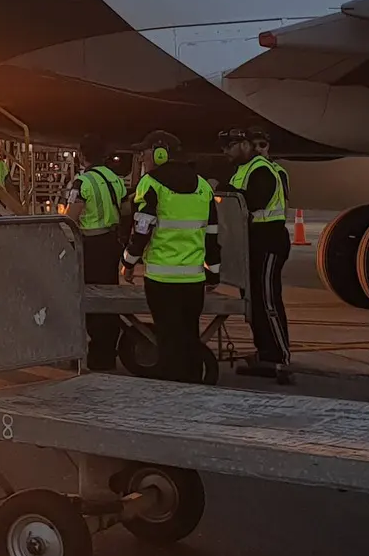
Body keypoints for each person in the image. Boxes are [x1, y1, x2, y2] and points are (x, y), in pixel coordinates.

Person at [120, 130, 215, 384]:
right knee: (189, 334)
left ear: (160, 153)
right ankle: (194, 382)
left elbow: (142, 229)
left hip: (162, 280)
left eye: (144, 152)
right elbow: (212, 233)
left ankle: (174, 390)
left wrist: (128, 262)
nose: (141, 157)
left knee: (169, 337)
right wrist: (214, 272)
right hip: (194, 281)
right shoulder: (203, 185)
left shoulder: (151, 183)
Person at [224, 126, 293, 381]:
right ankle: (265, 352)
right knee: (255, 302)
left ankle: (279, 358)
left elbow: (254, 201)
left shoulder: (263, 170)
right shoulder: (245, 170)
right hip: (253, 242)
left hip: (268, 240)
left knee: (267, 301)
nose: (260, 149)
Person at [62, 134, 129, 371]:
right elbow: (125, 208)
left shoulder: (82, 182)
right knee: (108, 297)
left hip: (89, 245)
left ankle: (89, 354)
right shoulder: (116, 179)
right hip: (111, 243)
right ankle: (107, 353)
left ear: (82, 155)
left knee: (88, 300)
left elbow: (71, 218)